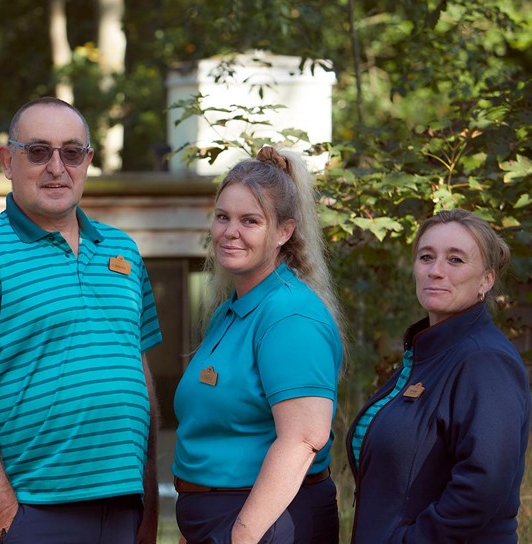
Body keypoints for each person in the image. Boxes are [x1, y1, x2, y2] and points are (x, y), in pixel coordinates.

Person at [0, 97, 163, 544]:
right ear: (7, 160)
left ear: (88, 161)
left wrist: (149, 500)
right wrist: (4, 516)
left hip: (122, 507)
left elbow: (138, 372)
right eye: (38, 152)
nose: (57, 167)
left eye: (71, 152)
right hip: (32, 510)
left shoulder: (124, 251)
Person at [171, 147, 342, 544]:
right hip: (222, 520)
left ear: (284, 231)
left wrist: (241, 535)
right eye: (222, 217)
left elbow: (303, 438)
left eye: (250, 221)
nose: (230, 232)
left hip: (268, 523)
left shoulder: (289, 315)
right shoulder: (231, 311)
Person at [346, 209, 529, 542]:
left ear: (486, 280)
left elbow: (483, 484)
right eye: (426, 257)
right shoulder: (427, 352)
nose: (436, 271)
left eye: (455, 260)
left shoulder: (484, 360)